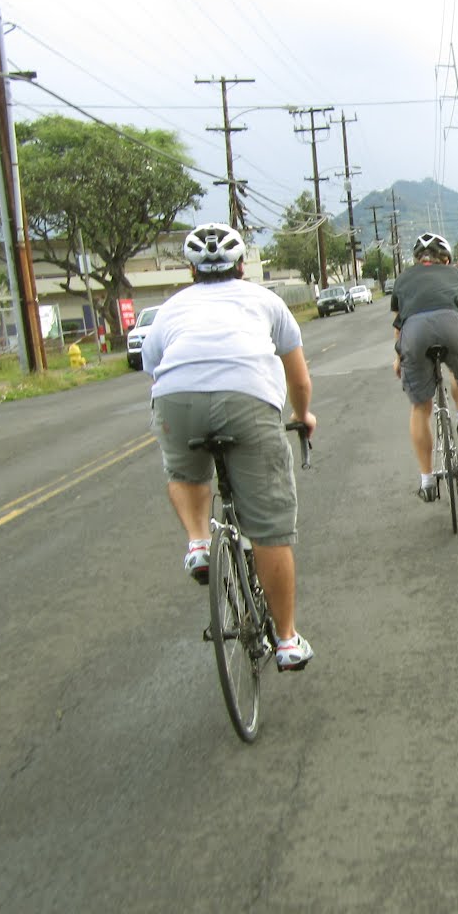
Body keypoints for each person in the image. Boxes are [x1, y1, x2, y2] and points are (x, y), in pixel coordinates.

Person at [144, 222, 317, 672]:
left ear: (190, 269)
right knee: (270, 529)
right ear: (242, 266)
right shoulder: (266, 301)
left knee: (184, 472)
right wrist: (302, 417)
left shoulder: (171, 308)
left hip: (176, 399)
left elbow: (155, 368)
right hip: (249, 399)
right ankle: (286, 640)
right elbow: (298, 379)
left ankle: (199, 541)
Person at [390, 232, 458, 501]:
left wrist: (398, 358)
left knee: (420, 407)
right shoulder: (456, 274)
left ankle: (427, 481)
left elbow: (399, 324)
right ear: (447, 259)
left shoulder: (403, 279)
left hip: (414, 333)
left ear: (418, 259)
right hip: (453, 326)